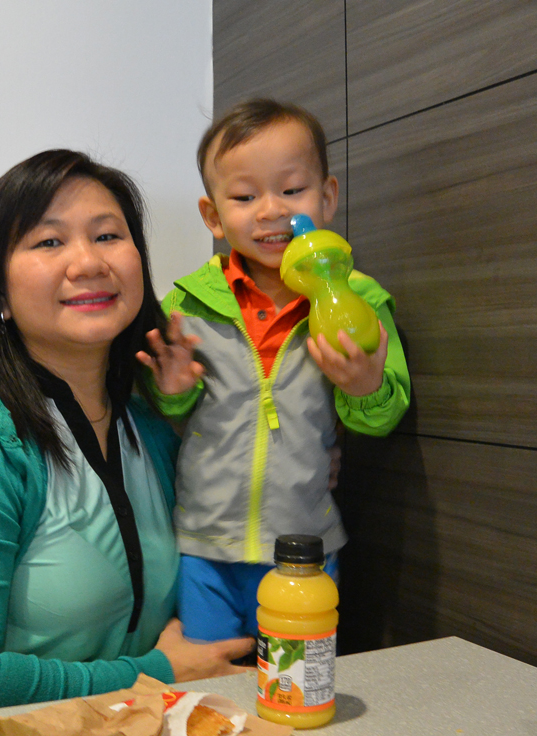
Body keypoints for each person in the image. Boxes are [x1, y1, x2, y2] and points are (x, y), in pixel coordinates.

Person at [0, 149, 253, 714]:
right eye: (49, 242)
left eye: (107, 236)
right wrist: (154, 673)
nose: (89, 262)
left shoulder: (151, 426)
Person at [136, 99, 412, 643]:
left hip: (305, 548)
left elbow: (381, 416)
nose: (270, 210)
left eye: (291, 190)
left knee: (300, 686)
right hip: (202, 545)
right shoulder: (187, 305)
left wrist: (366, 387)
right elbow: (166, 412)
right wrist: (170, 394)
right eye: (243, 196)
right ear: (213, 216)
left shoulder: (356, 300)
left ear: (327, 197)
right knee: (209, 692)